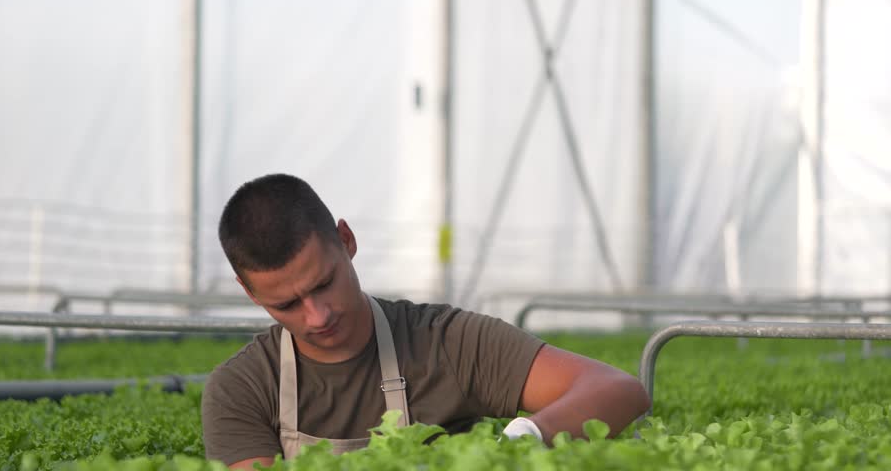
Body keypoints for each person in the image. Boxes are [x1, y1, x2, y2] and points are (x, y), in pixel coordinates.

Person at [201, 174, 650, 469]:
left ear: (346, 240)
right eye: (287, 305)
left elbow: (617, 389)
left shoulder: (445, 343)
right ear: (251, 293)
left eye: (323, 284)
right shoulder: (243, 388)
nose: (317, 316)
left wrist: (526, 440)